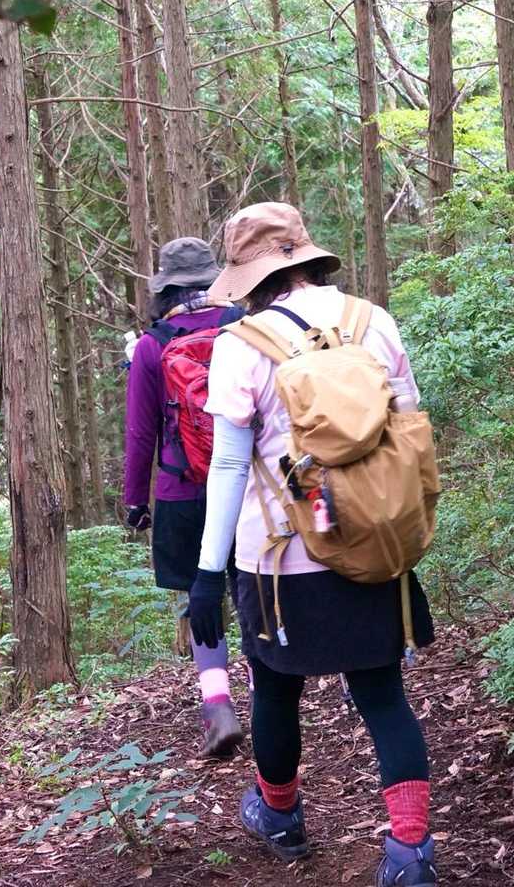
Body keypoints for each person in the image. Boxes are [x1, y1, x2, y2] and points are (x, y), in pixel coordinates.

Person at [186, 203, 439, 886]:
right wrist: (403, 532)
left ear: (250, 277)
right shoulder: (371, 320)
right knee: (382, 695)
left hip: (277, 558)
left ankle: (280, 817)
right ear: (305, 257)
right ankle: (410, 852)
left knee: (274, 689)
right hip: (372, 541)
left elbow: (229, 464)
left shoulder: (241, 343)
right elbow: (409, 430)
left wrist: (206, 575)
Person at [123, 237, 245, 758]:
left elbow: (140, 433)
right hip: (246, 480)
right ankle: (272, 686)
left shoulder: (152, 345)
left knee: (200, 594)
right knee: (250, 582)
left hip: (182, 489)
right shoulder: (243, 325)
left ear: (165, 288)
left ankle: (218, 704)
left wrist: (136, 500)